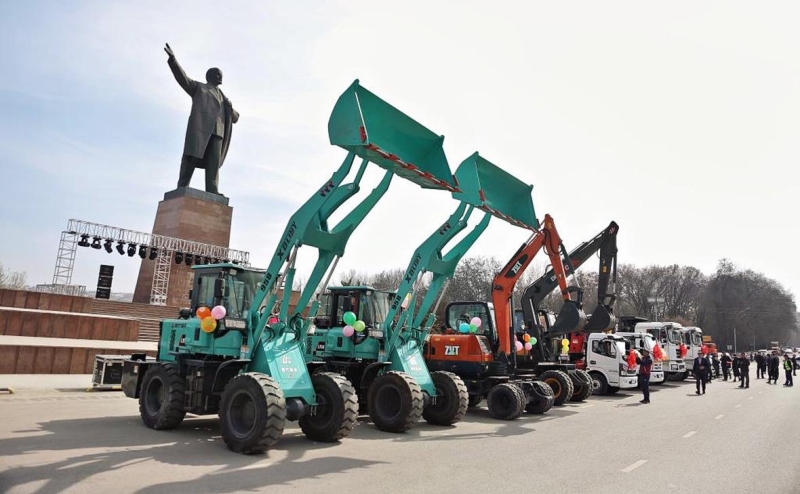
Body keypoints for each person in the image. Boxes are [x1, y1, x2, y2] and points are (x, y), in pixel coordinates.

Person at [165, 43, 239, 195]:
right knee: (191, 159)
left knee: (213, 164)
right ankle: (182, 187)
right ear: (210, 76)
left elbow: (235, 118)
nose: (220, 76)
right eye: (217, 74)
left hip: (218, 134)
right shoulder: (199, 88)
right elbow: (183, 79)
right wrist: (173, 61)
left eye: (221, 74)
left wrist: (230, 107)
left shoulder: (224, 98)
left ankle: (213, 191)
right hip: (200, 130)